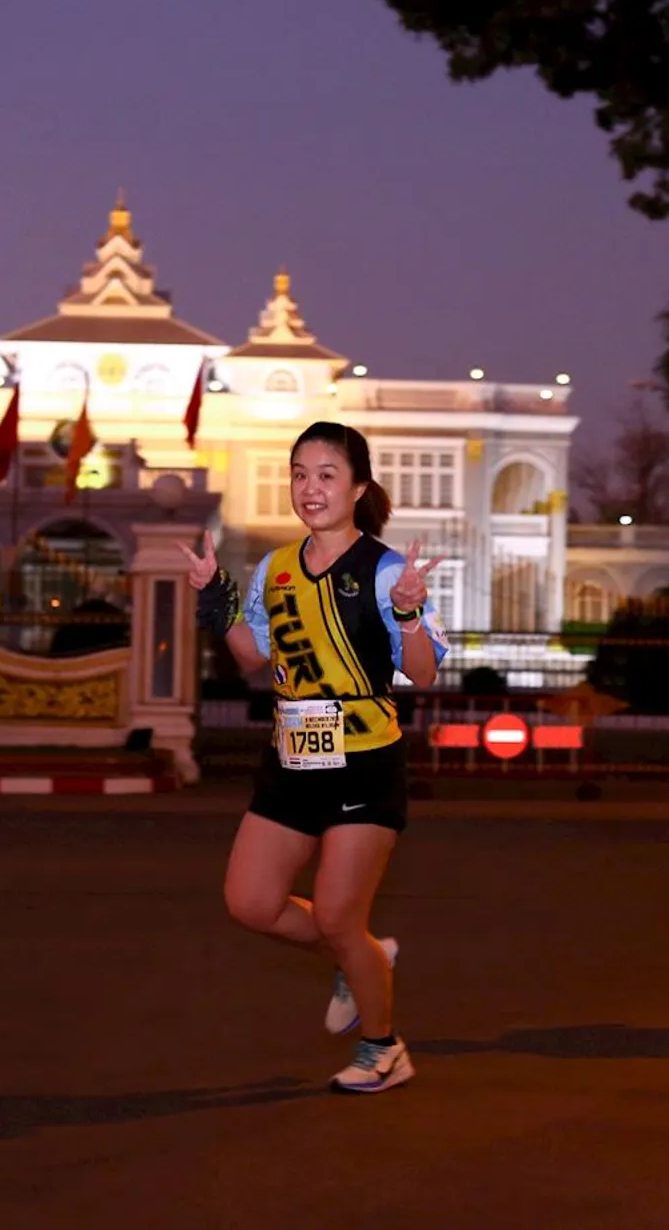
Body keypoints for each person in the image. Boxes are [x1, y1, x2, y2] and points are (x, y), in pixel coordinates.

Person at [179, 421, 449, 1093]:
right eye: (300, 473)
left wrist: (410, 616)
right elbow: (252, 658)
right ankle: (362, 959)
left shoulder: (386, 570)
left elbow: (424, 674)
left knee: (335, 914)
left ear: (358, 488)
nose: (310, 488)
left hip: (365, 762)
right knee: (250, 902)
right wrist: (218, 602)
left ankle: (384, 1049)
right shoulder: (276, 568)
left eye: (327, 475)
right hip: (292, 759)